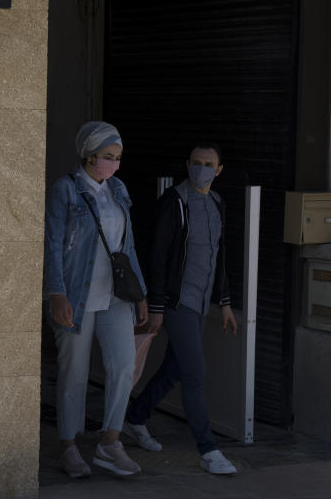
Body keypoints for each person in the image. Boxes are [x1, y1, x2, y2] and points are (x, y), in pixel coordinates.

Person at [124, 143, 238, 475]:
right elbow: (157, 258)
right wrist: (157, 307)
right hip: (177, 303)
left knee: (175, 368)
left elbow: (220, 257)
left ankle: (136, 416)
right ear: (187, 164)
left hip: (201, 303)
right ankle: (208, 449)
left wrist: (226, 303)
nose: (201, 168)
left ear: (219, 170)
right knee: (195, 373)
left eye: (208, 164)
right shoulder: (174, 202)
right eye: (196, 162)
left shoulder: (217, 203)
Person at [44, 121, 149, 478]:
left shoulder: (117, 189)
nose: (113, 164)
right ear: (89, 155)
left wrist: (141, 295)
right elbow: (52, 243)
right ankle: (69, 447)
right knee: (73, 372)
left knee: (123, 366)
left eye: (117, 158)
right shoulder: (66, 190)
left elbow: (127, 246)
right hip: (76, 293)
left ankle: (109, 443)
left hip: (116, 296)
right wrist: (56, 292)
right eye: (107, 157)